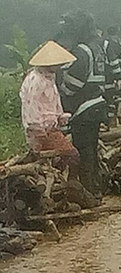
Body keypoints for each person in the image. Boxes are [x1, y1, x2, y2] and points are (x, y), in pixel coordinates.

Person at [56, 10, 108, 198]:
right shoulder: (97, 47)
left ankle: (88, 191)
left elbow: (72, 85)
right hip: (97, 105)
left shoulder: (82, 51)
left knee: (83, 151)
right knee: (91, 149)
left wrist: (60, 82)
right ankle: (96, 188)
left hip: (84, 108)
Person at [20, 40, 79, 175]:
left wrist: (60, 116)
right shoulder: (35, 80)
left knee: (59, 161)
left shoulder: (49, 78)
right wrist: (36, 128)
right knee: (71, 155)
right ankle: (70, 188)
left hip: (51, 127)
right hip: (40, 129)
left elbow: (53, 102)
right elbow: (30, 104)